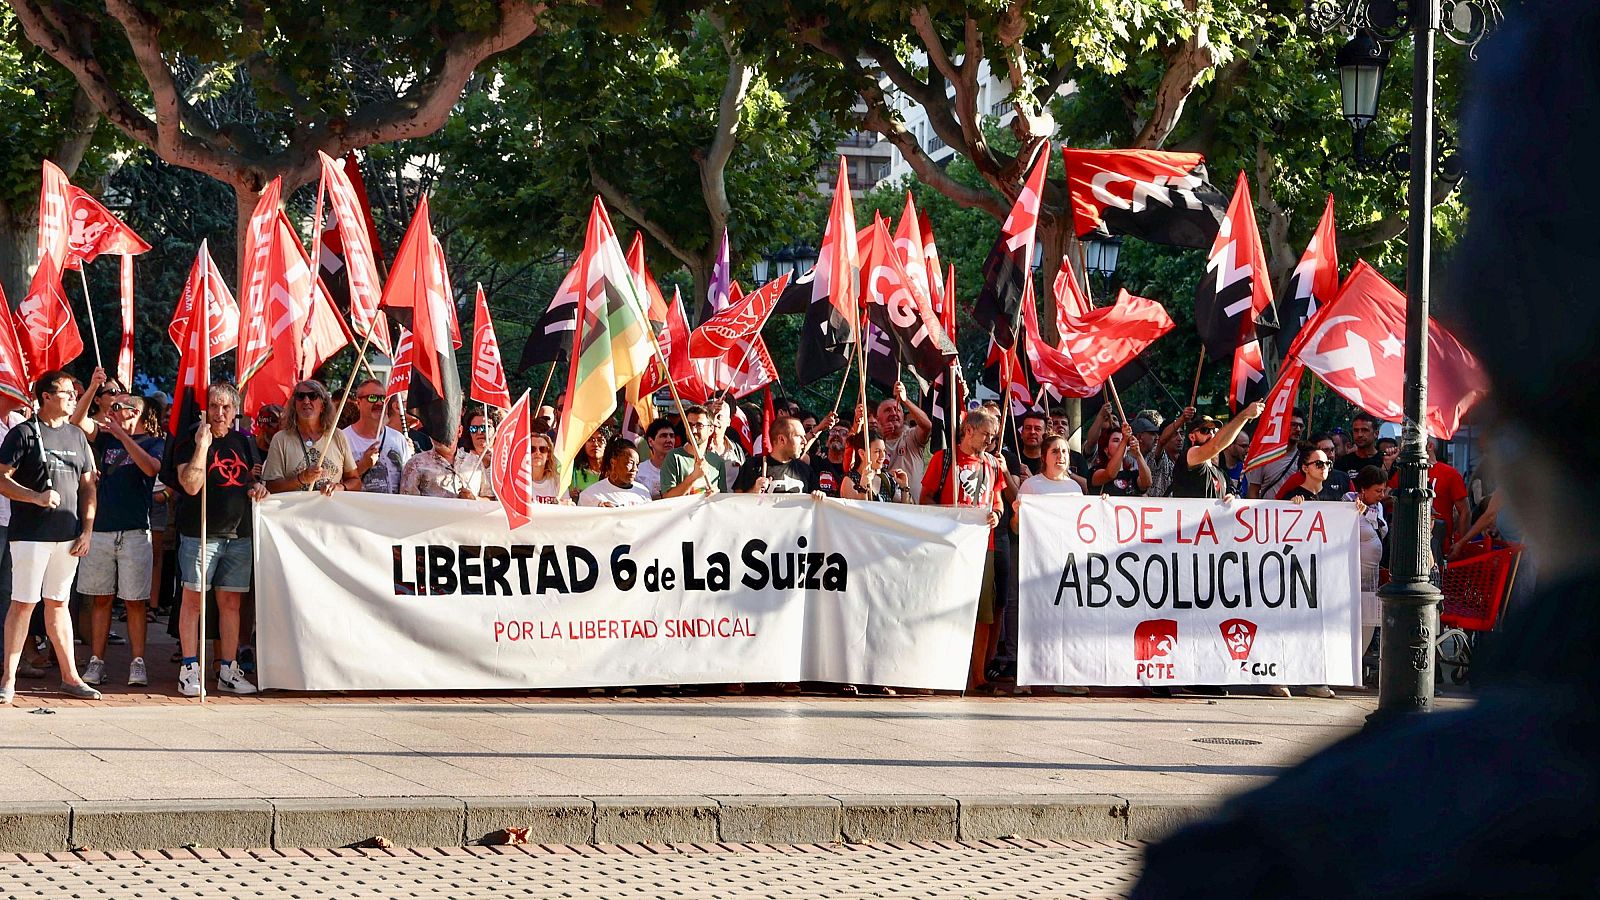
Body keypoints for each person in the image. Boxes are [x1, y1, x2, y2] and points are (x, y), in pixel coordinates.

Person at [0, 372, 100, 703]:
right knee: (24, 603)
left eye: (74, 393)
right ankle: (8, 679)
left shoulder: (76, 436)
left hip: (68, 536)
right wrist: (34, 497)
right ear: (46, 396)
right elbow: (1, 479)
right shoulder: (24, 433)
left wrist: (87, 529)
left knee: (59, 603)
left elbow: (88, 485)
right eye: (67, 392)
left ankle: (70, 677)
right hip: (31, 534)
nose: (73, 397)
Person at [163, 383, 267, 697]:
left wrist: (257, 487)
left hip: (238, 534)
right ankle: (190, 668)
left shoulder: (244, 443)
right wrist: (201, 447)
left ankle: (228, 668)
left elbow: (252, 480)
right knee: (193, 601)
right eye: (214, 406)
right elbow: (191, 486)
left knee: (231, 603)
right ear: (205, 408)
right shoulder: (190, 440)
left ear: (235, 411)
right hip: (199, 534)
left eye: (226, 407)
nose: (219, 413)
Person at [74, 387, 163, 688]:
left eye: (119, 406)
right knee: (101, 598)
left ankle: (137, 662)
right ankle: (96, 660)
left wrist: (124, 436)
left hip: (135, 530)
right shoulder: (105, 437)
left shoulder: (153, 442)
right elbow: (77, 420)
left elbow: (151, 468)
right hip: (101, 530)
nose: (112, 408)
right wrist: (91, 386)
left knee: (135, 601)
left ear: (134, 413)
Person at [919, 409, 1003, 692]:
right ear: (968, 431)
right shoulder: (944, 460)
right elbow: (925, 498)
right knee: (943, 606)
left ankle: (977, 675)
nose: (989, 442)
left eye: (992, 437)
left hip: (983, 544)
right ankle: (937, 672)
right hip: (950, 543)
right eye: (986, 436)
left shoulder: (992, 464)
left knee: (982, 612)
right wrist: (947, 514)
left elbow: (998, 501)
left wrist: (996, 515)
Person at [263, 380, 359, 494]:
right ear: (294, 404)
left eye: (313, 396)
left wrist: (340, 487)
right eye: (300, 396)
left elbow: (355, 481)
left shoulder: (337, 436)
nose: (306, 401)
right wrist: (301, 479)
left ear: (323, 405)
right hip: (294, 511)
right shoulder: (280, 439)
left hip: (330, 511)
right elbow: (271, 487)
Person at [1345, 465, 1389, 669]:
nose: (1382, 495)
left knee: (1368, 623)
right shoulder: (1346, 503)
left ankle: (1354, 668)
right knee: (1349, 623)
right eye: (1377, 491)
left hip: (1371, 578)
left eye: (1383, 490)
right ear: (1363, 489)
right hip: (1350, 578)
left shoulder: (1378, 508)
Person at [1172, 403, 1264, 499]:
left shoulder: (1222, 474)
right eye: (1205, 430)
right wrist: (1244, 415)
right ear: (1192, 437)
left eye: (1214, 431)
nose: (1211, 435)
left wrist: (1230, 499)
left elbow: (1231, 497)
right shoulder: (1190, 456)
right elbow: (1215, 446)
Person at [343, 379, 413, 494]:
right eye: (372, 398)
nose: (379, 403)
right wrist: (363, 465)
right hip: (357, 510)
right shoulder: (343, 438)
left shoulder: (398, 439)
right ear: (358, 402)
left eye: (383, 398)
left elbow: (408, 483)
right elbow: (336, 483)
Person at [399, 424, 489, 499]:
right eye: (435, 430)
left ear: (459, 431)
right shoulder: (415, 464)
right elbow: (407, 505)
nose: (440, 436)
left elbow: (490, 499)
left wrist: (475, 499)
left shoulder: (475, 462)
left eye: (447, 430)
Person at [734, 416, 815, 494]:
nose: (804, 441)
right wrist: (754, 490)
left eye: (804, 437)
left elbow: (818, 502)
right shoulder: (753, 466)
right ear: (782, 439)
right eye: (799, 437)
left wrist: (819, 496)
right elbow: (735, 502)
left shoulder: (805, 470)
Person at [658, 405, 726, 498]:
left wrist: (716, 495)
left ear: (710, 429)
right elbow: (667, 497)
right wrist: (694, 476)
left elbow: (723, 499)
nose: (693, 430)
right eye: (689, 425)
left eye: (699, 425)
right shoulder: (674, 457)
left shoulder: (717, 461)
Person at [877, 381, 933, 492]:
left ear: (903, 416)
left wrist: (905, 400)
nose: (894, 413)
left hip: (912, 506)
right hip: (885, 506)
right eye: (888, 410)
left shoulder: (911, 435)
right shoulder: (873, 441)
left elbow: (928, 426)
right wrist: (881, 438)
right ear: (878, 419)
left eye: (897, 409)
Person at [1246, 408, 1308, 501]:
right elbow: (1253, 491)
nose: (1298, 429)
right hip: (1269, 513)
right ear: (1282, 425)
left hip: (1296, 512)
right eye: (1293, 425)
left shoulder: (1306, 458)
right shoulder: (1265, 456)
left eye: (1301, 426)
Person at [840, 431, 913, 503]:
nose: (883, 456)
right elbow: (857, 512)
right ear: (862, 454)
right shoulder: (850, 481)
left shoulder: (886, 479)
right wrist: (863, 488)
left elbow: (905, 510)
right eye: (877, 451)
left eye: (884, 451)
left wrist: (904, 488)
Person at [578, 439, 652, 507]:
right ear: (613, 462)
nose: (635, 469)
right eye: (630, 463)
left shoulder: (643, 492)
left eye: (637, 464)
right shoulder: (590, 495)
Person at [1089, 421, 1152, 496]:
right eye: (1116, 440)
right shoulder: (1095, 472)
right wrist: (1124, 440)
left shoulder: (1132, 474)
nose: (1122, 443)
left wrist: (1138, 454)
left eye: (1122, 440)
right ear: (1106, 449)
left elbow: (1147, 483)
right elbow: (1110, 474)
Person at [1332, 413, 1383, 483]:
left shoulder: (1384, 461)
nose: (1359, 435)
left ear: (1376, 434)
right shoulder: (1342, 463)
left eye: (1365, 430)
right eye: (1356, 430)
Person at [634, 418, 677, 498]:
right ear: (650, 441)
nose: (669, 440)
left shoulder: (680, 468)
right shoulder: (639, 472)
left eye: (671, 436)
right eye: (663, 436)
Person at [460, 410, 497, 500]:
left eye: (485, 428)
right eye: (474, 429)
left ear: (496, 430)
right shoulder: (461, 459)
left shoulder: (505, 459)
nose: (479, 432)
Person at [809, 419, 849, 498]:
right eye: (833, 431)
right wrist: (819, 428)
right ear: (827, 441)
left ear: (849, 442)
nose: (837, 434)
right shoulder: (815, 461)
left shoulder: (852, 468)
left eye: (843, 433)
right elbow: (799, 454)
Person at [526, 432, 567, 505]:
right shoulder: (518, 481)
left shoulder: (558, 481)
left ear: (548, 455)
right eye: (532, 449)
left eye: (543, 449)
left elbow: (567, 507)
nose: (537, 452)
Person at [569, 428, 608, 500]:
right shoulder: (573, 472)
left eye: (600, 440)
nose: (595, 444)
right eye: (590, 440)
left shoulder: (613, 473)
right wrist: (570, 495)